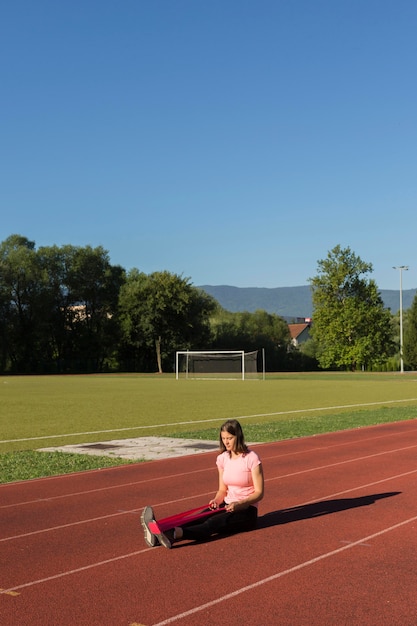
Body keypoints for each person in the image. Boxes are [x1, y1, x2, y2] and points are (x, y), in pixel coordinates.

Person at [141, 419, 264, 549]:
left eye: (230, 438)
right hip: (226, 505)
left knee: (212, 523)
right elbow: (222, 490)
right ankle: (160, 532)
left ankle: (174, 533)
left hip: (247, 511)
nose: (226, 442)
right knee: (197, 518)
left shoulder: (251, 458)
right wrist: (216, 500)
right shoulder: (222, 458)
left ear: (238, 437)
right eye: (223, 438)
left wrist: (240, 503)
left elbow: (259, 493)